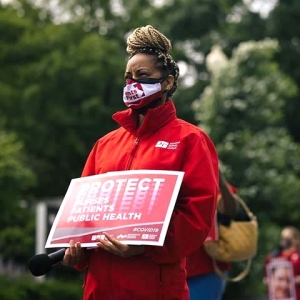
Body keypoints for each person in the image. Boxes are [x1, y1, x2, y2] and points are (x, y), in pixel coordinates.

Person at [62, 25, 219, 300]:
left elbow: (197, 215)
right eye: (128, 77)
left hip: (154, 289)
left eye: (142, 76)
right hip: (99, 290)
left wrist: (145, 248)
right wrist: (75, 250)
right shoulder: (105, 144)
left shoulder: (191, 140)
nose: (133, 84)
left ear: (167, 82)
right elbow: (82, 215)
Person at [186, 170, 239, 300]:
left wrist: (221, 181)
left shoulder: (213, 184)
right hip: (175, 267)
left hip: (208, 268)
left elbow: (232, 211)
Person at [264, 226, 300, 299]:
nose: (285, 240)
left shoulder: (298, 256)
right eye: (283, 237)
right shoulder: (275, 256)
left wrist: (293, 280)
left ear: (295, 239)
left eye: (288, 237)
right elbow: (267, 274)